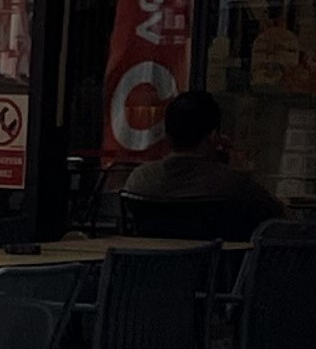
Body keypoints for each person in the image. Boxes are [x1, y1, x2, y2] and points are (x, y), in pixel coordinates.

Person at [118, 85, 281, 236]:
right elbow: (277, 217)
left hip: (154, 266)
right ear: (213, 137)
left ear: (167, 135)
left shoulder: (139, 180)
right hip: (217, 265)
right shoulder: (233, 185)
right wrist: (241, 171)